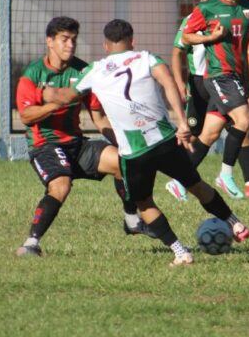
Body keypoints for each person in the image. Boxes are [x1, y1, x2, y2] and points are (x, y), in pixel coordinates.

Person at [42, 19, 249, 266]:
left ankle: (180, 252)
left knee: (144, 202)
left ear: (105, 45)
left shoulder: (95, 71)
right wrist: (182, 122)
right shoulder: (146, 58)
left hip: (134, 152)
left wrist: (47, 92)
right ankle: (235, 223)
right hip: (164, 140)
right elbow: (168, 82)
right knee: (196, 185)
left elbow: (67, 97)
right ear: (132, 41)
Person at [14, 16, 154, 258]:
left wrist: (124, 143)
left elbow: (99, 118)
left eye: (74, 40)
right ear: (50, 41)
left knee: (123, 161)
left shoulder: (83, 72)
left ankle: (132, 221)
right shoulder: (33, 74)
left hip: (77, 146)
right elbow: (26, 117)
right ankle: (30, 243)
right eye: (64, 39)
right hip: (45, 145)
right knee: (61, 186)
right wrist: (56, 104)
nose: (70, 45)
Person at [166, 0, 249, 200]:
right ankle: (216, 176)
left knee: (224, 129)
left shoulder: (237, 10)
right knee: (226, 125)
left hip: (227, 78)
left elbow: (242, 47)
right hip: (204, 81)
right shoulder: (196, 16)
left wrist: (246, 77)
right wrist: (179, 83)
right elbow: (179, 48)